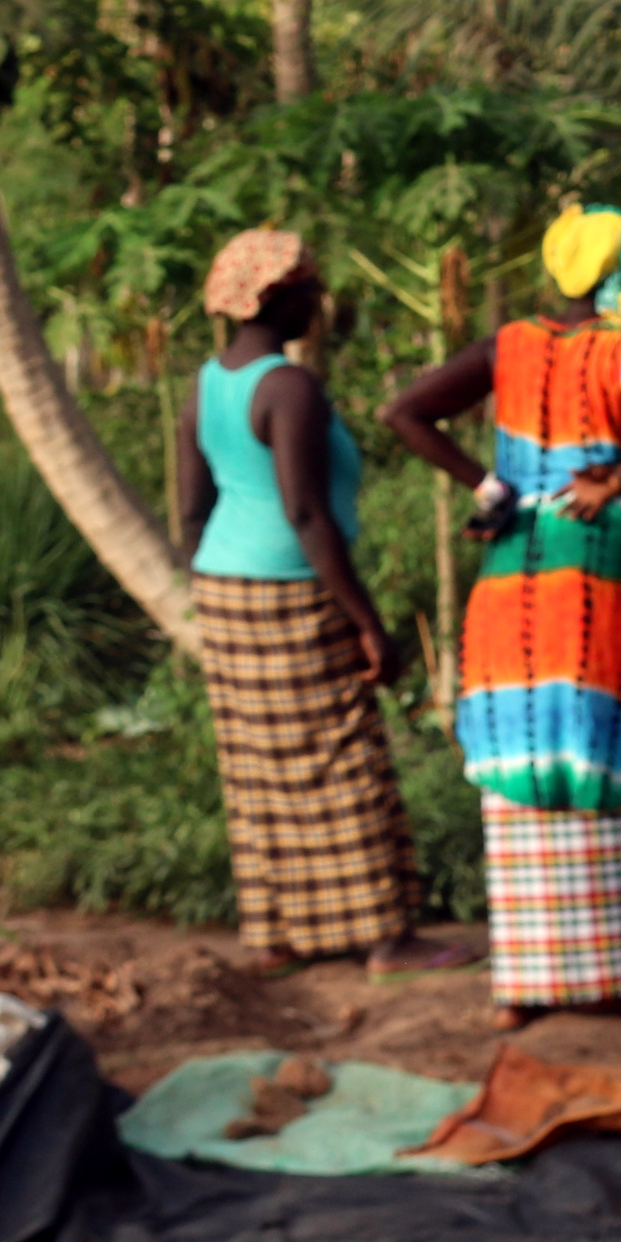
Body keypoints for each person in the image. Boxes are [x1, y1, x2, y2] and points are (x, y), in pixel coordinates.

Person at [385, 206, 621, 1025]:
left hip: (513, 568)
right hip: (595, 566)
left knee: (523, 748)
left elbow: (401, 413)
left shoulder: (506, 345)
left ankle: (521, 986)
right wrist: (619, 480)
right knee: (605, 741)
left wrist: (488, 484)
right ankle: (617, 976)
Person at [175, 229, 447, 974]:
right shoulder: (288, 387)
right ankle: (387, 934)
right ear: (276, 297)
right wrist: (368, 623)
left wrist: (204, 580)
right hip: (290, 590)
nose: (318, 301)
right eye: (309, 288)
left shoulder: (207, 382)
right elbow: (305, 513)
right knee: (343, 752)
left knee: (257, 762)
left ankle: (279, 932)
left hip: (225, 587)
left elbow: (192, 505)